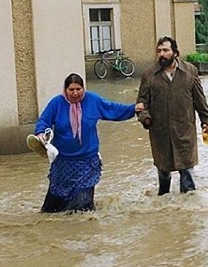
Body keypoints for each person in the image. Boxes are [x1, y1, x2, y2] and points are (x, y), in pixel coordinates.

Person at [33, 73, 143, 213]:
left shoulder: (93, 100)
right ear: (65, 90)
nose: (75, 93)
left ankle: (85, 233)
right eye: (71, 89)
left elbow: (112, 108)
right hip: (63, 164)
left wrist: (133, 108)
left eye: (78, 89)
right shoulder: (57, 103)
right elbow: (43, 121)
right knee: (51, 210)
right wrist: (40, 132)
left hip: (87, 164)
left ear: (83, 88)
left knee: (82, 208)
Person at [137, 36, 208, 195]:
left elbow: (200, 99)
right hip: (160, 132)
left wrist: (206, 121)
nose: (161, 54)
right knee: (163, 172)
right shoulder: (149, 75)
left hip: (184, 131)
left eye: (165, 50)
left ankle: (187, 212)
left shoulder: (189, 72)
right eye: (158, 51)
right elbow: (142, 103)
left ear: (175, 53)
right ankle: (165, 209)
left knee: (187, 173)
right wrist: (145, 117)